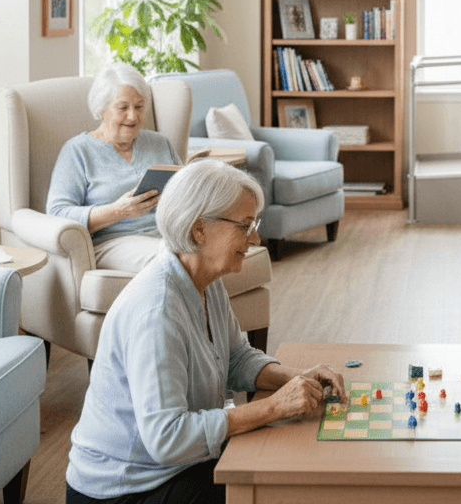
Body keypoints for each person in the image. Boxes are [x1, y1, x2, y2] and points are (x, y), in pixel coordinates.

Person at [66, 160, 345, 504]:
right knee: (282, 491)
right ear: (199, 229)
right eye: (245, 225)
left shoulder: (203, 279)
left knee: (292, 466)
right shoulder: (157, 311)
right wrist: (274, 407)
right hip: (125, 489)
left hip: (175, 466)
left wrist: (296, 377)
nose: (255, 238)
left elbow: (235, 358)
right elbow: (167, 438)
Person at [47, 62, 182, 273]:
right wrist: (118, 211)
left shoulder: (159, 143)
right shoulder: (78, 151)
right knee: (172, 258)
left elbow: (185, 194)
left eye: (139, 107)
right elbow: (57, 213)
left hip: (167, 235)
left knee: (212, 251)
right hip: (113, 242)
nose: (133, 116)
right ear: (102, 108)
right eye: (123, 108)